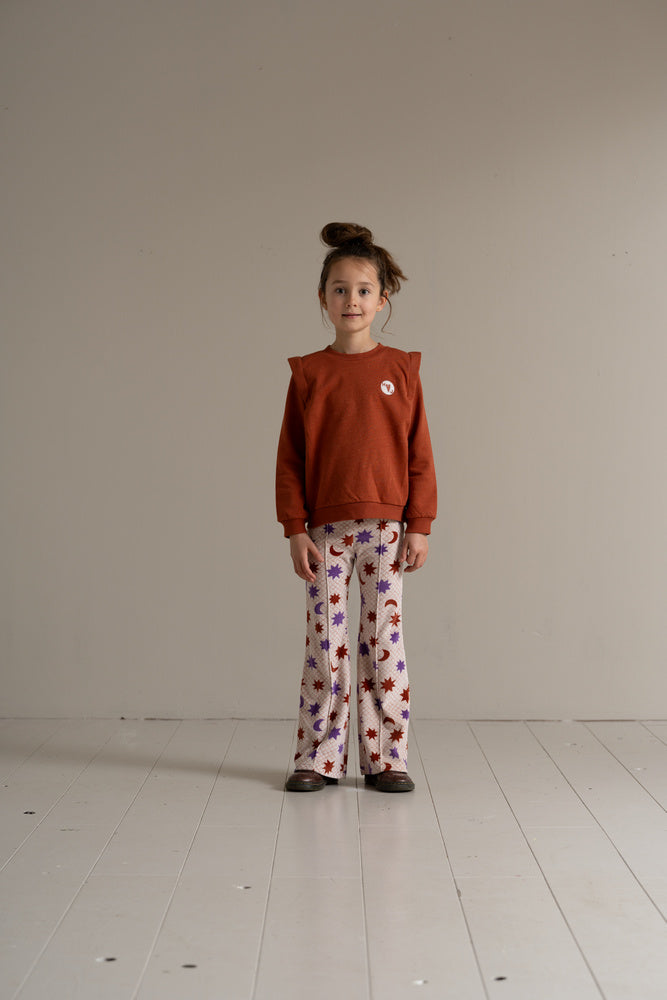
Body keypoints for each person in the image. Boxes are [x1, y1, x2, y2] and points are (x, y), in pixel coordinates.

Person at [275, 223, 437, 792]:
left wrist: (419, 525)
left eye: (364, 290)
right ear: (323, 298)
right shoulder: (309, 374)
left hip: (387, 532)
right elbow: (290, 458)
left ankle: (386, 759)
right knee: (326, 645)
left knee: (383, 645)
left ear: (382, 299)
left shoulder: (402, 370)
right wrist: (295, 528)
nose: (352, 300)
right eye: (340, 289)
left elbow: (419, 452)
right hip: (325, 534)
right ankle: (317, 759)